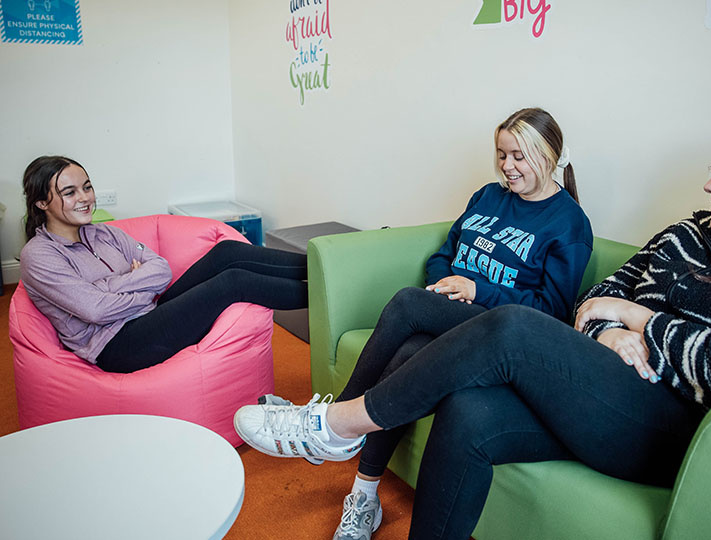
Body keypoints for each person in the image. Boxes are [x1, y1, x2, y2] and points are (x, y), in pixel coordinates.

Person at [235, 119, 711, 539]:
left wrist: (641, 319)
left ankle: (339, 423)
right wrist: (609, 328)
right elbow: (598, 297)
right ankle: (352, 452)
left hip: (667, 423)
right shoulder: (689, 233)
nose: (709, 184)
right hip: (602, 382)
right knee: (468, 410)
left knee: (514, 328)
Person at [249, 107, 593, 539]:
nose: (507, 167)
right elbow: (443, 254)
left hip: (496, 334)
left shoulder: (569, 224)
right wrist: (442, 287)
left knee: (407, 304)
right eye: (502, 155)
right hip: (451, 311)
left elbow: (552, 313)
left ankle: (330, 424)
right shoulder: (487, 196)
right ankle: (365, 495)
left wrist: (475, 291)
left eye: (519, 157)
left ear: (548, 155)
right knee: (409, 352)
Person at [19, 155, 308, 373]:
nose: (84, 198)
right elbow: (96, 310)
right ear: (42, 203)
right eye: (69, 193)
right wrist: (138, 288)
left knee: (227, 252)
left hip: (150, 313)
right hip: (118, 345)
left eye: (87, 187)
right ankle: (326, 295)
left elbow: (160, 270)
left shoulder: (104, 232)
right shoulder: (40, 256)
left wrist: (109, 288)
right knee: (233, 282)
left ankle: (323, 265)